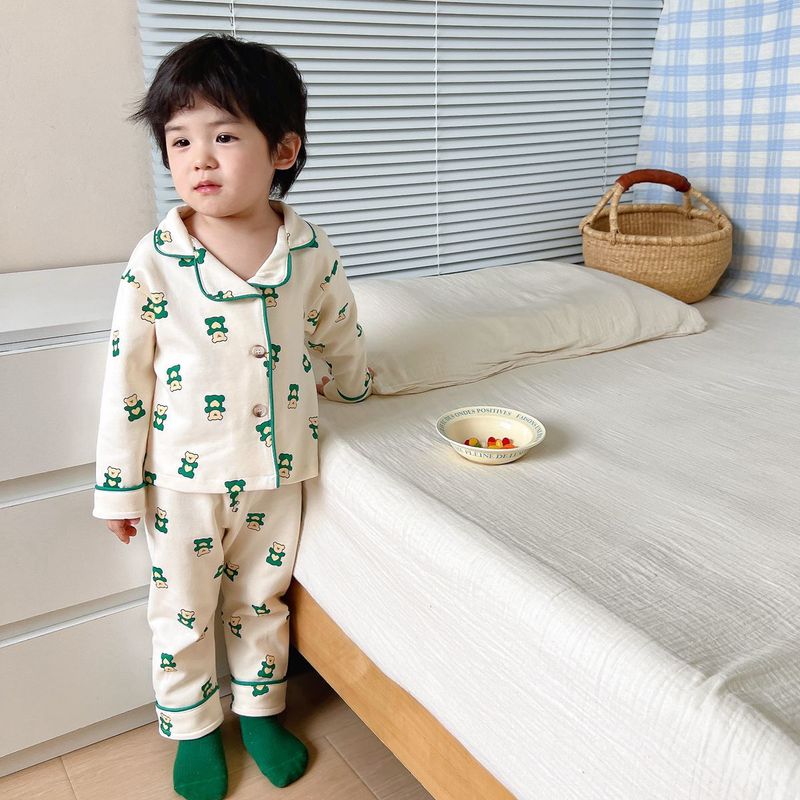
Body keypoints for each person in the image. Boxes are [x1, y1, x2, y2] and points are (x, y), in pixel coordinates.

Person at [93, 33, 373, 800]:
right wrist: (118, 487)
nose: (199, 159)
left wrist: (354, 388)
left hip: (277, 471)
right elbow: (127, 376)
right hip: (183, 478)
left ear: (283, 149)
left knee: (260, 600)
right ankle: (193, 727)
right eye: (180, 140)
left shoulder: (307, 248)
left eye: (223, 136)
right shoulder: (157, 258)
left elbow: (338, 327)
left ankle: (259, 713)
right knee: (182, 611)